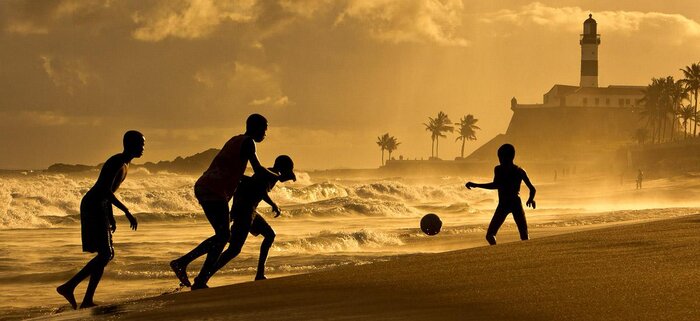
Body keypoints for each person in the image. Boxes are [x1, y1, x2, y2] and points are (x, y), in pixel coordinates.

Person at [170, 114, 278, 290]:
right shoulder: (248, 142)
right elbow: (258, 169)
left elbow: (233, 172)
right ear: (255, 127)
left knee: (222, 236)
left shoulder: (235, 140)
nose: (265, 133)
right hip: (213, 189)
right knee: (223, 236)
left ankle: (198, 276)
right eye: (264, 129)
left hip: (206, 186)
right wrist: (277, 176)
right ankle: (184, 264)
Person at [56, 130, 144, 309]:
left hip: (100, 206)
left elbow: (108, 191)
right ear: (130, 144)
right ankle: (69, 287)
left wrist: (110, 216)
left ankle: (85, 298)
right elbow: (104, 190)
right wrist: (126, 212)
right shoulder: (117, 161)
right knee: (105, 254)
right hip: (93, 206)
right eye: (141, 144)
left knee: (106, 254)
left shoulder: (125, 164)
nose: (143, 148)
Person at [209, 155, 296, 282]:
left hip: (249, 211)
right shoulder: (270, 174)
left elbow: (251, 188)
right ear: (284, 168)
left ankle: (260, 273)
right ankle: (205, 275)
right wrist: (273, 204)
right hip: (245, 211)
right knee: (234, 249)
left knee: (269, 235)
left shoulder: (271, 173)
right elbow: (261, 191)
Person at [465, 144, 536, 245]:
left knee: (490, 235)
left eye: (500, 157)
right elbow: (532, 189)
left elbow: (496, 185)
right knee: (524, 235)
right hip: (515, 203)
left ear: (507, 157)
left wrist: (476, 185)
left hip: (505, 204)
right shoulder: (520, 171)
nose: (499, 160)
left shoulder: (499, 169)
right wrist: (531, 199)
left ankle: (497, 252)